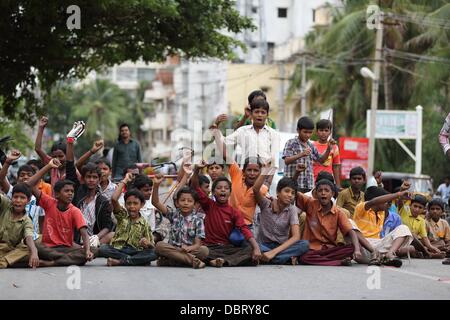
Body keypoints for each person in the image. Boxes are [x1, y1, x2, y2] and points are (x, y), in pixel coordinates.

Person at [191, 161, 261, 267]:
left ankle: (220, 261)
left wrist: (256, 248)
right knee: (202, 251)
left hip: (227, 248)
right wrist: (196, 170)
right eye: (219, 188)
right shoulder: (208, 205)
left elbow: (244, 229)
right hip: (209, 247)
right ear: (213, 192)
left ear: (230, 192)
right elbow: (196, 187)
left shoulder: (234, 212)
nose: (223, 190)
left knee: (249, 250)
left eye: (226, 188)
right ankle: (218, 260)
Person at [26, 158, 94, 267]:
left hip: (66, 248)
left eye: (72, 191)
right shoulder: (49, 203)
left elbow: (84, 234)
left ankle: (52, 263)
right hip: (48, 248)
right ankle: (64, 260)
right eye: (66, 191)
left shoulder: (74, 211)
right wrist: (49, 166)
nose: (70, 194)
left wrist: (87, 251)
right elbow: (29, 184)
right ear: (57, 194)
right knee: (35, 246)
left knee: (92, 251)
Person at [296, 179, 362, 266]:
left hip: (330, 249)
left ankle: (323, 260)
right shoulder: (310, 204)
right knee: (303, 257)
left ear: (332, 194)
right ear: (316, 194)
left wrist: (357, 250)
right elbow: (294, 190)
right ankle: (338, 262)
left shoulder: (338, 212)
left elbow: (351, 231)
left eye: (326, 190)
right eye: (320, 191)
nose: (323, 193)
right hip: (312, 249)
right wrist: (297, 173)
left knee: (352, 248)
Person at [253, 164, 309, 265]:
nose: (290, 195)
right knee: (249, 245)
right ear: (278, 192)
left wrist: (273, 252)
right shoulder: (266, 203)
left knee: (304, 245)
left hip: (281, 247)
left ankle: (268, 258)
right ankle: (283, 259)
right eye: (286, 191)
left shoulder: (292, 210)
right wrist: (265, 171)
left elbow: (296, 236)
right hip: (264, 245)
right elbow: (256, 189)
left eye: (293, 193)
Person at [97, 173, 156, 266]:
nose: (132, 206)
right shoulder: (122, 215)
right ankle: (134, 261)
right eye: (129, 203)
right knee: (103, 249)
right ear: (125, 205)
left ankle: (121, 261)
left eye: (135, 203)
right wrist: (124, 181)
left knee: (154, 253)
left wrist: (147, 243)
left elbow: (151, 245)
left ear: (141, 205)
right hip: (119, 249)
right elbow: (114, 199)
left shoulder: (144, 223)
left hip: (135, 250)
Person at [152, 174, 208, 269]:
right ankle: (192, 261)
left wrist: (189, 248)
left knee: (204, 251)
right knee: (159, 246)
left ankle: (173, 261)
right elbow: (155, 203)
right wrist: (156, 185)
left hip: (188, 250)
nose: (186, 203)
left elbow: (198, 244)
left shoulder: (198, 219)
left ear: (195, 205)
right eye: (182, 200)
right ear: (177, 203)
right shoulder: (173, 214)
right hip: (173, 248)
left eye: (189, 201)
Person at [66, 138, 114, 247]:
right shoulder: (77, 192)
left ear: (99, 179)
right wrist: (70, 142)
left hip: (95, 241)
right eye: (88, 177)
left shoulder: (103, 201)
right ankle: (84, 250)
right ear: (83, 179)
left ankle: (90, 249)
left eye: (94, 177)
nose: (91, 180)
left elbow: (107, 226)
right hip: (76, 239)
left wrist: (96, 237)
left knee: (112, 235)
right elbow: (70, 165)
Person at [353, 187, 413, 267]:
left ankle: (389, 254)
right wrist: (398, 194)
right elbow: (374, 201)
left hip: (378, 245)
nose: (388, 204)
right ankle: (378, 256)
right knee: (350, 224)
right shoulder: (360, 208)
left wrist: (401, 198)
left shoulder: (382, 213)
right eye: (386, 201)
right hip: (364, 246)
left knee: (404, 228)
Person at [212, 99, 280, 166]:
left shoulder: (274, 134)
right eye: (256, 112)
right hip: (246, 174)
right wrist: (216, 125)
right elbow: (223, 142)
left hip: (265, 174)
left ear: (267, 115)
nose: (260, 115)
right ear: (251, 114)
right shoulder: (242, 131)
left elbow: (274, 162)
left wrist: (267, 176)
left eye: (263, 112)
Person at [282, 116, 336, 194]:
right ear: (298, 130)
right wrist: (301, 154)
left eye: (310, 132)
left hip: (309, 185)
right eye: (305, 132)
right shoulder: (291, 143)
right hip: (293, 184)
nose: (308, 135)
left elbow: (321, 160)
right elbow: (286, 161)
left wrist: (328, 148)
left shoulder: (311, 145)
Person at [0, 150, 44, 240]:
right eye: (22, 175)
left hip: (33, 238)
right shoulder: (13, 192)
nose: (25, 177)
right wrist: (8, 161)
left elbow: (41, 220)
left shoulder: (39, 197)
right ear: (17, 178)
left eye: (29, 175)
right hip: (12, 238)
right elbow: (2, 178)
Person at [34, 116, 82, 188]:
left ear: (67, 156)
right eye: (54, 157)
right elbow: (38, 149)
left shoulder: (73, 171)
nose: (57, 159)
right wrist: (41, 128)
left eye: (61, 156)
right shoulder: (52, 164)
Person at [0, 184, 39, 268]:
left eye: (22, 198)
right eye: (15, 197)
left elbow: (29, 237)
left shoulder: (27, 220)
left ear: (28, 200)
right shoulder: (6, 205)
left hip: (9, 251)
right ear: (11, 198)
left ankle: (3, 261)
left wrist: (34, 252)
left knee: (28, 247)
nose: (18, 200)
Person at [398, 194, 443, 258]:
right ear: (410, 205)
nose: (417, 209)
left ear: (423, 209)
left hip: (413, 244)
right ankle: (426, 253)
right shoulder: (404, 211)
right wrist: (403, 193)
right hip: (401, 242)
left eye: (420, 207)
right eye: (415, 206)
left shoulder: (421, 220)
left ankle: (422, 252)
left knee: (441, 243)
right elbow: (400, 201)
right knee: (411, 234)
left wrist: (430, 247)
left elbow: (424, 237)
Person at [312, 119, 341, 188]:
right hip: (313, 182)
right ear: (317, 132)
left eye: (326, 130)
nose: (323, 133)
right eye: (321, 130)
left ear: (330, 132)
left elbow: (336, 166)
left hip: (328, 183)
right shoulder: (312, 146)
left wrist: (338, 185)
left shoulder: (334, 147)